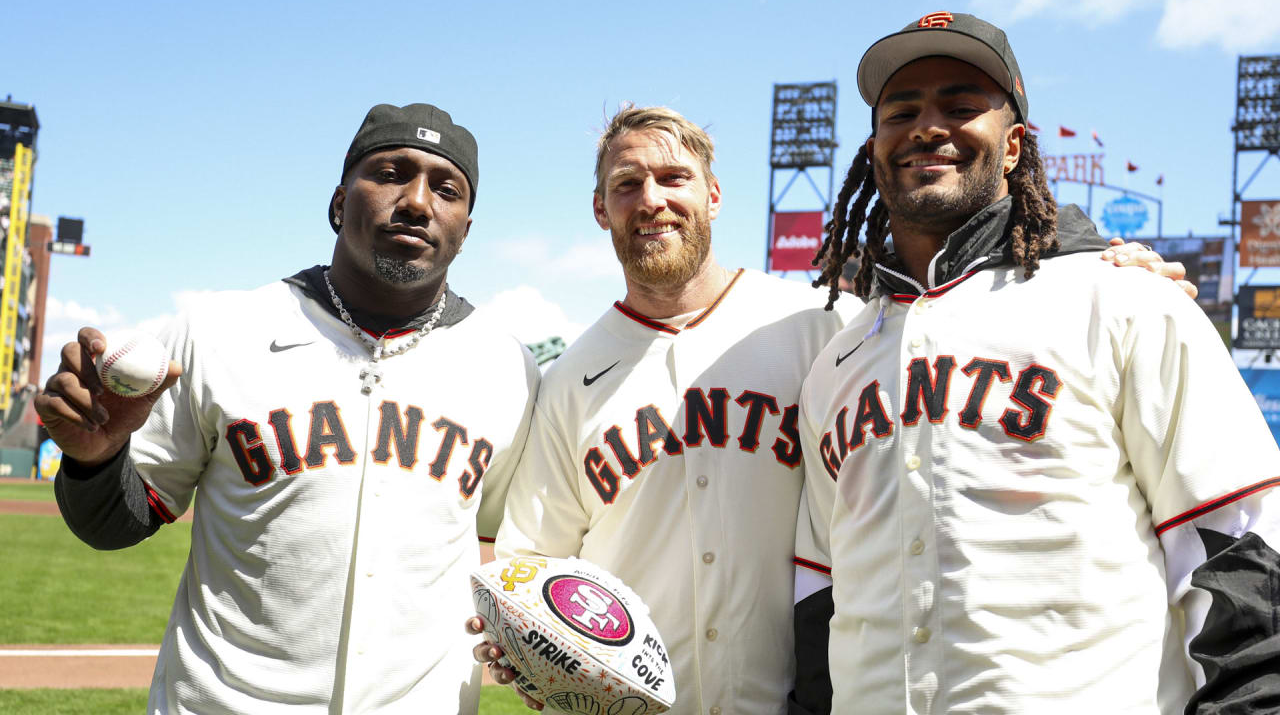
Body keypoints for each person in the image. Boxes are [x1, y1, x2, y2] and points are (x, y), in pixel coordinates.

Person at [467, 105, 1189, 715]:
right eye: (628, 184)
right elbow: (535, 559)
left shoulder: (827, 325)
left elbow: (954, 310)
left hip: (805, 698)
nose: (652, 198)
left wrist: (1093, 256)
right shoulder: (570, 380)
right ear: (601, 208)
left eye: (674, 178)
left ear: (713, 195)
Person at [791, 12, 1280, 714]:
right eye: (903, 110)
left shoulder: (1123, 301)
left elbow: (1242, 551)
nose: (928, 126)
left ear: (1015, 146)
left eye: (961, 106)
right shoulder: (835, 362)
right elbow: (821, 599)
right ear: (875, 150)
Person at [35, 103, 539, 714]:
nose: (415, 201)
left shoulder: (508, 368)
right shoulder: (219, 330)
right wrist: (97, 460)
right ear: (337, 202)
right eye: (389, 173)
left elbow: (503, 553)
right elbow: (113, 524)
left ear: (463, 227)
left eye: (446, 188)